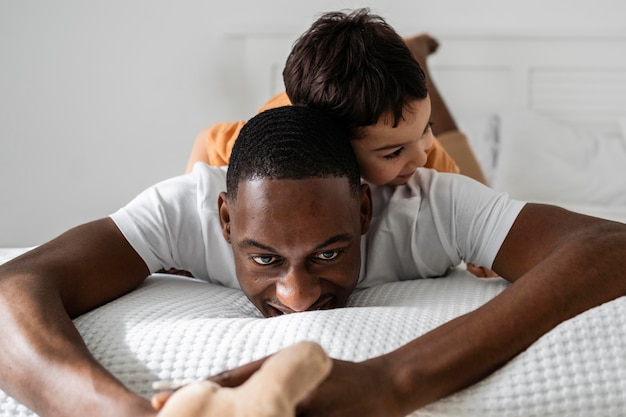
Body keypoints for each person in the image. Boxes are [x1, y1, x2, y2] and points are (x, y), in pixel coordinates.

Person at [1, 104, 626, 417]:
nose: (296, 295)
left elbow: (609, 246)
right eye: (264, 259)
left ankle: (427, 81)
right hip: (247, 137)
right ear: (224, 220)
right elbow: (14, 287)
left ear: (362, 211)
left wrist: (393, 379)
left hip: (426, 172)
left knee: (445, 151)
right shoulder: (186, 205)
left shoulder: (423, 202)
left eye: (328, 254)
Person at [185, 11, 488, 186]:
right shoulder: (265, 149)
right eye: (393, 152)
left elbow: (475, 208)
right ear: (333, 143)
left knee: (472, 176)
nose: (420, 157)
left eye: (425, 130)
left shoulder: (427, 156)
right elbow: (207, 139)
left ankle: (415, 56)